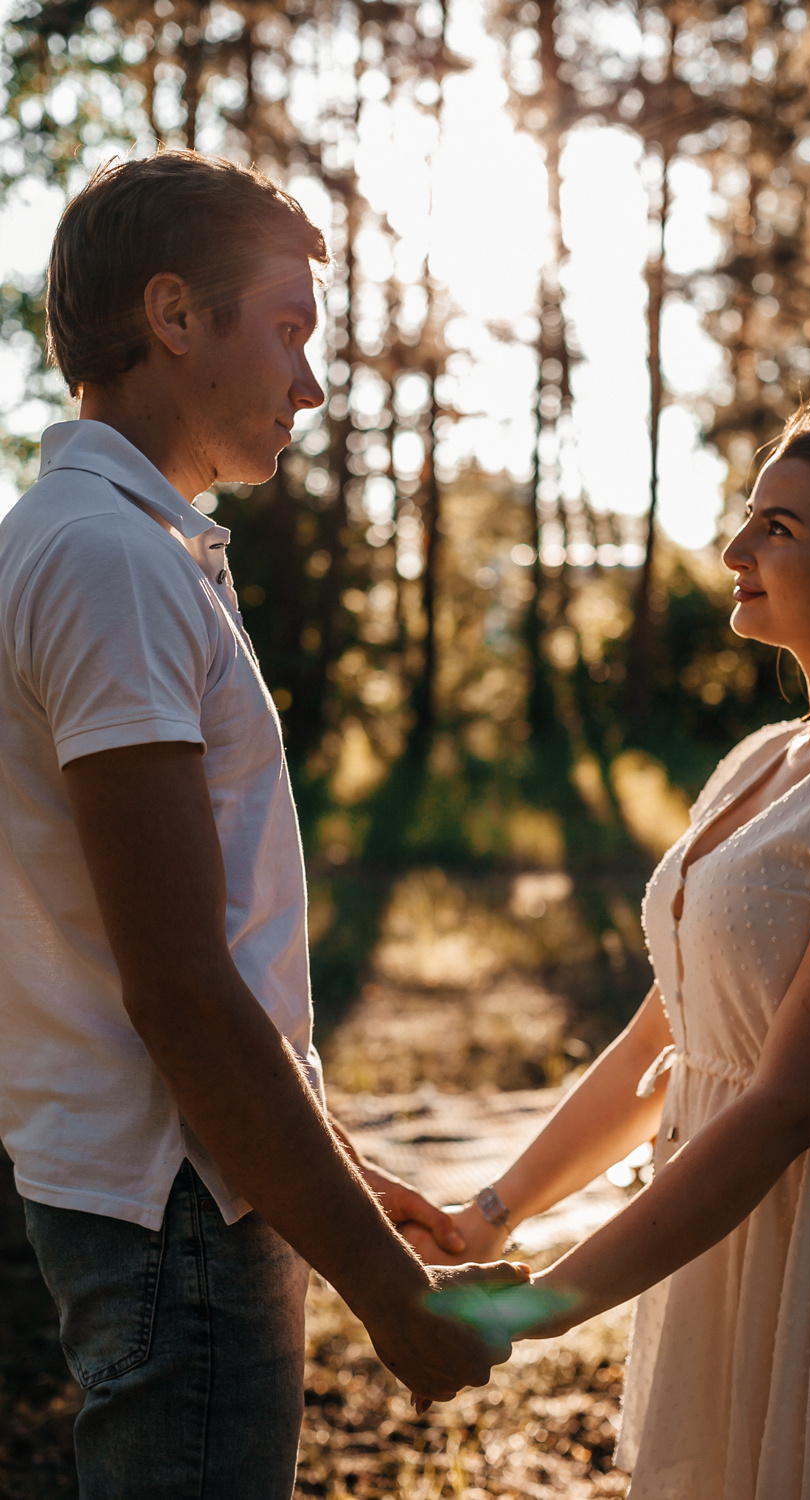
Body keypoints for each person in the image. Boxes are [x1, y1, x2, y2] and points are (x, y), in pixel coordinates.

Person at [0, 150, 524, 1500]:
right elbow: (178, 987)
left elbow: (192, 952)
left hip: (183, 1183)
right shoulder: (110, 561)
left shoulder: (105, 543)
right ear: (175, 315)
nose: (310, 382)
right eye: (289, 329)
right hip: (180, 1206)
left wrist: (336, 1172)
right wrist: (389, 1293)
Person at [414, 397, 810, 1499]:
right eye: (745, 518)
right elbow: (667, 1038)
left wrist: (542, 1304)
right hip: (724, 1242)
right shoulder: (760, 760)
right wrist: (487, 1216)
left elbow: (783, 1108)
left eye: (778, 528)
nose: (734, 550)